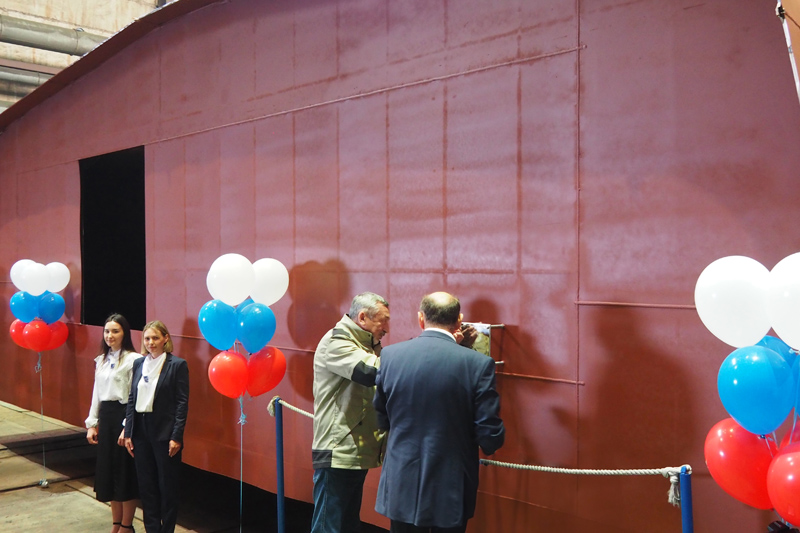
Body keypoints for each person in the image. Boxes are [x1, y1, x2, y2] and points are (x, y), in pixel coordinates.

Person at [373, 292, 505, 533]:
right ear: (459, 320)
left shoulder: (390, 356)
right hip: (451, 484)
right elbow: (489, 433)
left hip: (402, 479)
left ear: (421, 318)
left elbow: (381, 416)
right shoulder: (478, 364)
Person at [311, 292, 390, 533]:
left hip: (352, 451)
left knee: (346, 525)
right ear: (363, 317)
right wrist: (417, 353)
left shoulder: (365, 344)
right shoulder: (337, 342)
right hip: (338, 451)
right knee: (329, 527)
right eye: (383, 321)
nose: (386, 328)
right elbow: (369, 371)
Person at [124, 320, 189, 533]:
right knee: (147, 485)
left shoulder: (177, 365)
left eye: (155, 338)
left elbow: (182, 403)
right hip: (140, 431)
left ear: (165, 338)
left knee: (167, 486)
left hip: (164, 432)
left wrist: (176, 436)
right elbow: (132, 398)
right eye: (147, 338)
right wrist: (129, 431)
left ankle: (167, 529)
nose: (151, 342)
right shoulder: (138, 364)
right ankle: (152, 529)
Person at [85, 313, 143, 533]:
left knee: (125, 474)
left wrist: (127, 426)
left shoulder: (134, 359)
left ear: (125, 333)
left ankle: (127, 526)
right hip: (107, 417)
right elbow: (96, 393)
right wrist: (92, 423)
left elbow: (135, 395)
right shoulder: (101, 360)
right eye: (107, 331)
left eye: (115, 331)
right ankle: (116, 524)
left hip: (124, 415)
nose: (110, 336)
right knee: (109, 473)